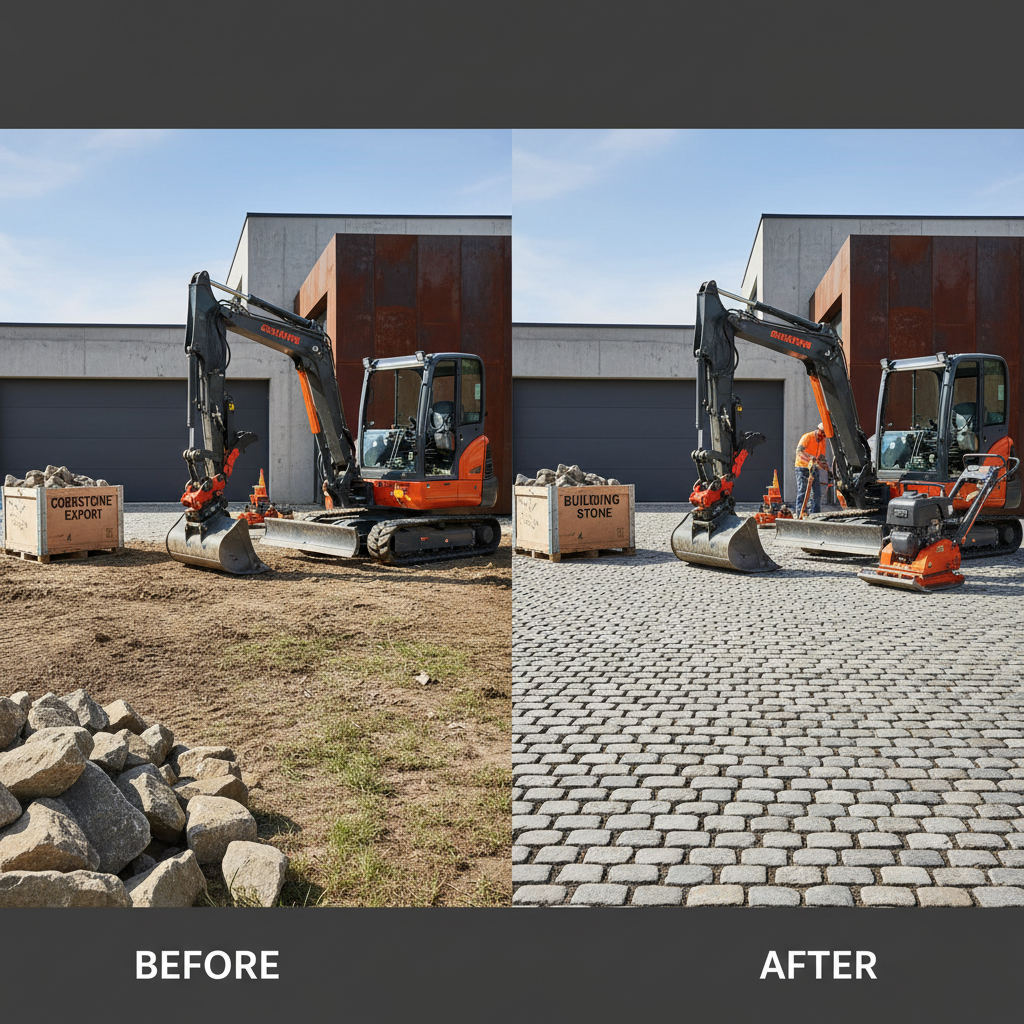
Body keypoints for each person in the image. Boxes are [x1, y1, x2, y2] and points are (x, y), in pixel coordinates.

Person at [795, 422, 827, 514]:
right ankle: (800, 513)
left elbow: (822, 458)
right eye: (822, 433)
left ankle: (815, 514)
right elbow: (799, 452)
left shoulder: (823, 442)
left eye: (825, 435)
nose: (823, 436)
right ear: (818, 430)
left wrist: (827, 468)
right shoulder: (807, 437)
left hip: (813, 468)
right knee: (802, 491)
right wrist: (810, 459)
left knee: (817, 494)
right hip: (802, 467)